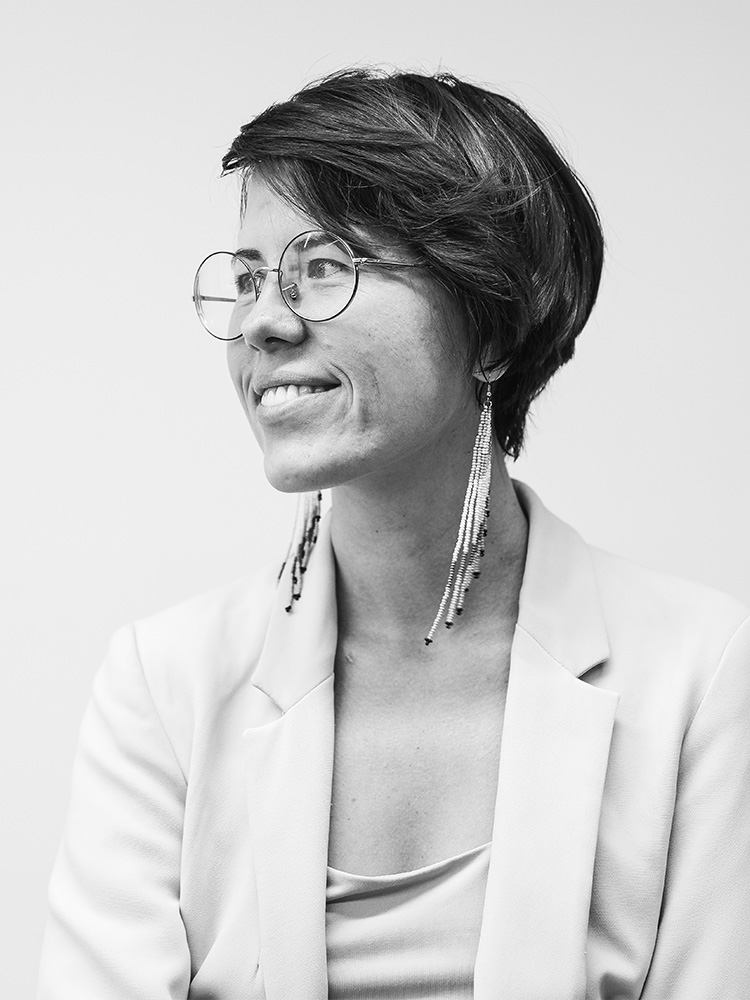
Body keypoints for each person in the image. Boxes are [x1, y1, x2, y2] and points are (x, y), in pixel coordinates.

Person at [38, 68, 750, 1000]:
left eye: (323, 267)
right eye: (249, 277)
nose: (263, 321)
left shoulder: (704, 675)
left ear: (492, 324)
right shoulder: (165, 684)